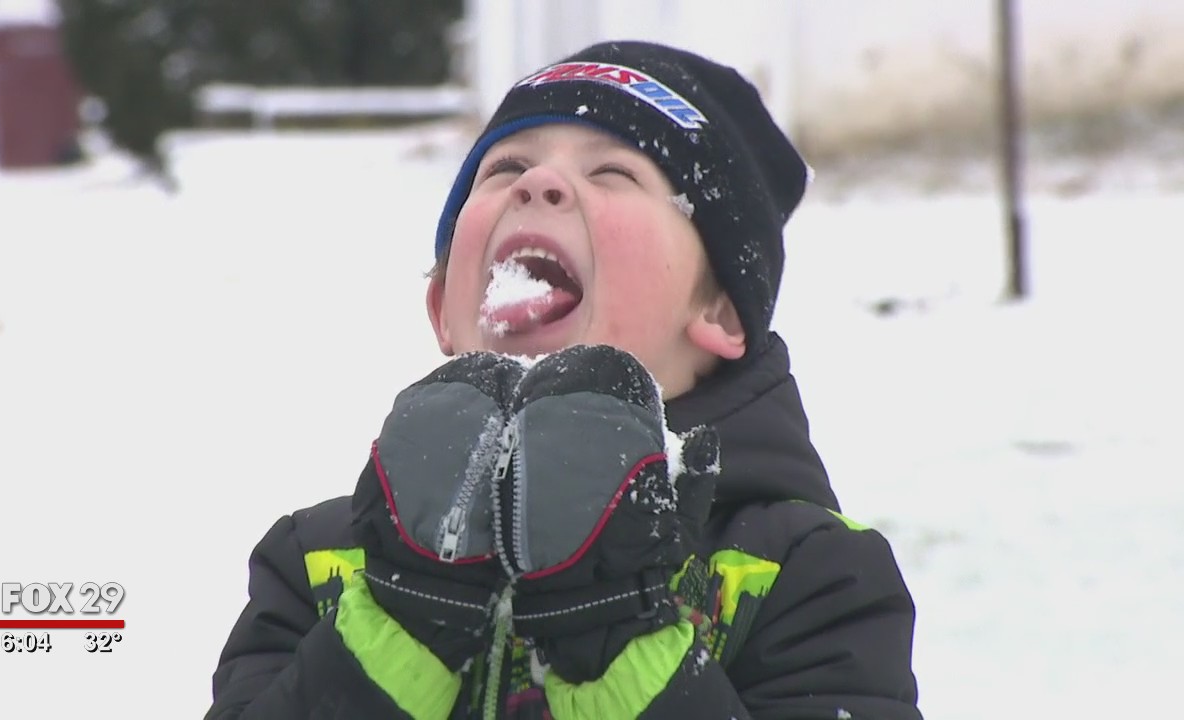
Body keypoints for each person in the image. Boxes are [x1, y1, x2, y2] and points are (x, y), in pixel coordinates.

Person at [206, 40, 922, 720]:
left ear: (721, 312)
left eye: (614, 173)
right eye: (505, 169)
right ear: (443, 310)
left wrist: (613, 626)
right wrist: (402, 615)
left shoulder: (805, 573)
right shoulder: (322, 562)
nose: (540, 183)